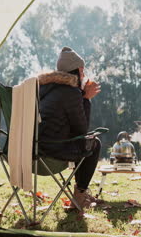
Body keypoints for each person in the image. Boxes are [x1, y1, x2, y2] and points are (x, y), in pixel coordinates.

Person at [37, 46, 102, 209]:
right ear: (79, 71)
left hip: (32, 151)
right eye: (83, 70)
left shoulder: (45, 89)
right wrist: (86, 98)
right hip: (51, 154)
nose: (84, 74)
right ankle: (80, 196)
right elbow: (82, 130)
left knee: (82, 142)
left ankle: (80, 195)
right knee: (93, 142)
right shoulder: (70, 93)